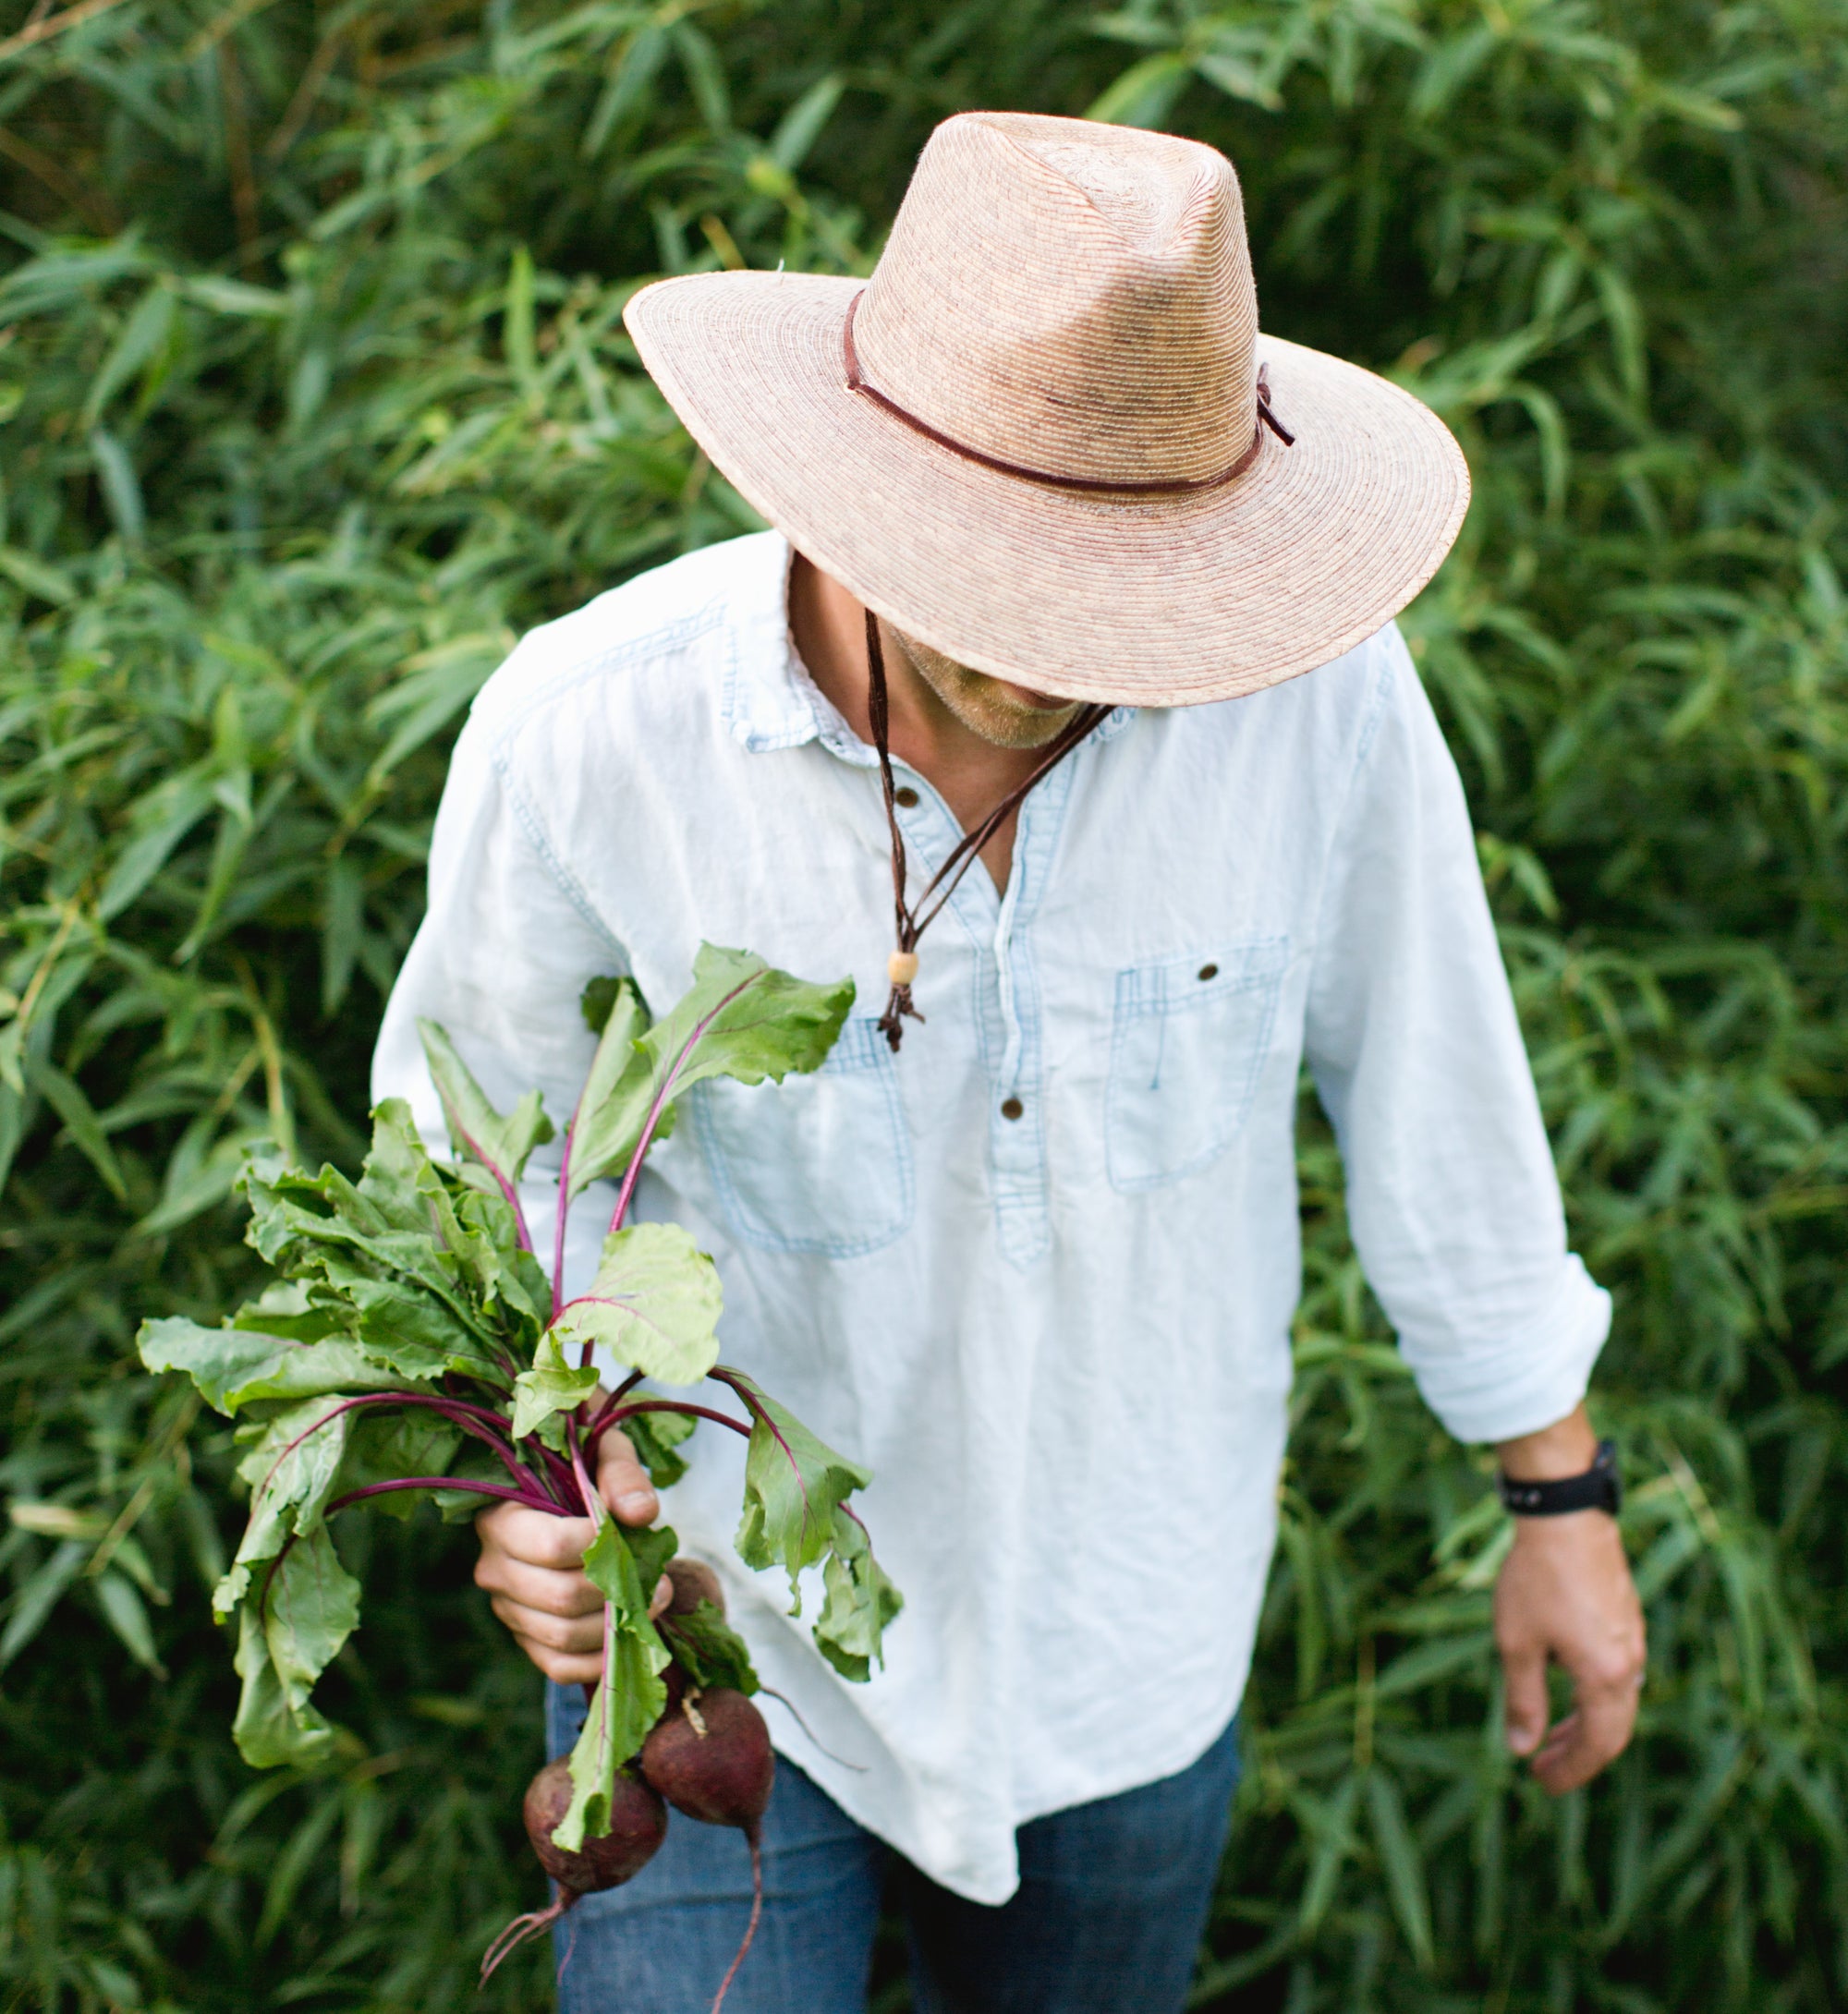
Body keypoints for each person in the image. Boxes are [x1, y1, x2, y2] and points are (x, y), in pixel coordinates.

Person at [371, 111, 1646, 2014]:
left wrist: (1558, 1493)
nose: (1049, 658)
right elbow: (469, 1155)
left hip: (1129, 1642)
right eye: (995, 577)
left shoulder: (1315, 706)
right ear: (848, 474)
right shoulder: (592, 734)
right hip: (714, 1637)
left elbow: (1434, 1085)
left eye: (1120, 593)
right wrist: (536, 1475)